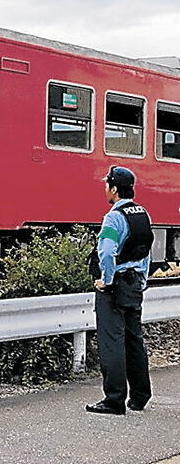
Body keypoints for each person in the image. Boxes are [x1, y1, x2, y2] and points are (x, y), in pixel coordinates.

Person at [86, 166, 152, 415]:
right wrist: (142, 280)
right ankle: (140, 396)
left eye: (107, 186)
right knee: (134, 339)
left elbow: (106, 251)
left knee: (111, 341)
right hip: (135, 284)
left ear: (114, 189)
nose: (105, 190)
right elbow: (144, 250)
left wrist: (107, 280)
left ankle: (114, 399)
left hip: (116, 287)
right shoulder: (142, 214)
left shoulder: (113, 217)